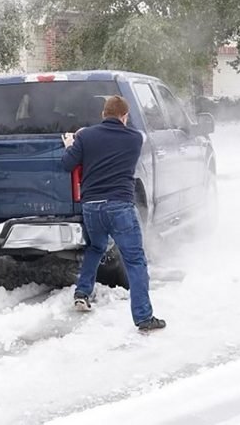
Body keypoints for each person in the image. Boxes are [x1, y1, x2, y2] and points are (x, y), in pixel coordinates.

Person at [61, 95, 166, 333]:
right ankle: (143, 317)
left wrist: (71, 144)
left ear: (102, 114)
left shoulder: (86, 137)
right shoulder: (134, 138)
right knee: (135, 261)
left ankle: (82, 293)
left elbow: (67, 164)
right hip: (120, 206)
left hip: (92, 207)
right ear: (125, 116)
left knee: (95, 248)